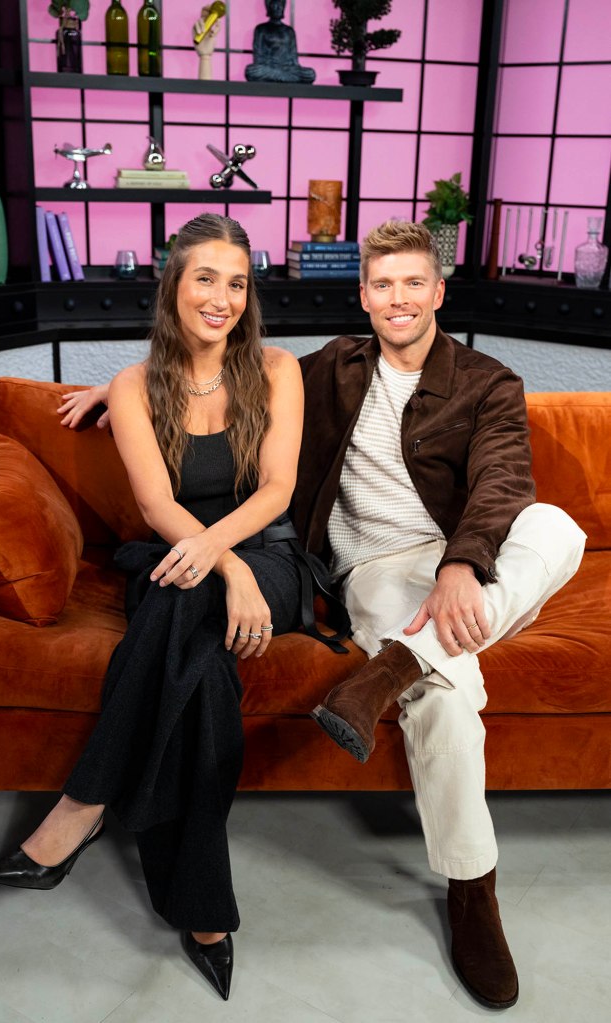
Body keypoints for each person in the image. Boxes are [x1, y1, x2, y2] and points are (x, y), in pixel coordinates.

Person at [0, 213, 348, 1002]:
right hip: (180, 559)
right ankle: (205, 914)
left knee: (182, 601)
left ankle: (83, 804)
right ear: (173, 285)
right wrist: (220, 566)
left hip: (271, 559)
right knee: (201, 671)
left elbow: (277, 489)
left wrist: (234, 562)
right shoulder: (133, 386)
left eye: (237, 283)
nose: (221, 297)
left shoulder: (277, 369)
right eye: (205, 278)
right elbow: (154, 507)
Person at [292, 220, 586, 1010]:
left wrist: (462, 562)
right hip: (378, 569)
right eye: (383, 284)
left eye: (413, 282)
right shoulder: (328, 368)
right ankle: (472, 891)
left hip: (461, 556)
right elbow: (225, 375)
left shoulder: (487, 381)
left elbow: (503, 480)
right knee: (449, 699)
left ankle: (390, 665)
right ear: (364, 295)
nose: (399, 298)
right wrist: (130, 386)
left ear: (438, 291)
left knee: (558, 527)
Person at [245, 0, 316, 83]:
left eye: (280, 6)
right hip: (269, 68)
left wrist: (291, 68)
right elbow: (258, 57)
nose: (278, 8)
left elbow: (294, 59)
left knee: (310, 74)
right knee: (251, 71)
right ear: (269, 8)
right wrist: (270, 66)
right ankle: (284, 77)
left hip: (287, 68)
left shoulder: (289, 31)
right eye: (275, 6)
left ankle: (280, 77)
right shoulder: (261, 29)